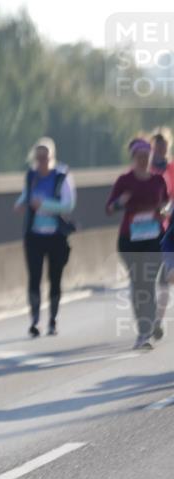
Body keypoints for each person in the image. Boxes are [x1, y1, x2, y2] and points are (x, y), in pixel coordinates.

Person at [105, 137, 171, 350]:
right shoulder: (124, 181)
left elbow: (166, 206)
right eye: (139, 157)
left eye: (146, 156)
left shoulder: (158, 181)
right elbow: (109, 208)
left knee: (148, 283)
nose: (143, 160)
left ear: (150, 157)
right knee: (138, 284)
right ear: (133, 158)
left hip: (154, 240)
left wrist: (163, 212)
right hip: (129, 240)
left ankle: (146, 333)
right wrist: (119, 202)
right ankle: (144, 328)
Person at [12, 137, 77, 337]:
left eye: (45, 157)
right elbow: (25, 197)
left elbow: (68, 205)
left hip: (56, 235)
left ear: (52, 156)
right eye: (38, 157)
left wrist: (45, 205)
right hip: (34, 236)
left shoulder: (62, 176)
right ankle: (35, 320)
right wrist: (20, 204)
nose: (41, 161)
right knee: (34, 278)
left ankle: (53, 320)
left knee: (54, 278)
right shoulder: (32, 176)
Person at [149, 127, 174, 340]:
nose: (161, 153)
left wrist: (168, 208)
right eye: (157, 148)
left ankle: (158, 320)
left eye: (164, 148)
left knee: (165, 278)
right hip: (147, 229)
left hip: (169, 228)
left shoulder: (173, 168)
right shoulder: (145, 168)